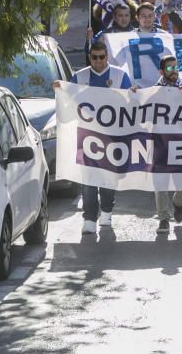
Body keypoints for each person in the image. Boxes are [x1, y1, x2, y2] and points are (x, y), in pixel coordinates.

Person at [60, 40, 133, 234]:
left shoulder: (120, 76)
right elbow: (68, 101)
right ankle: (89, 218)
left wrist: (133, 95)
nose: (98, 61)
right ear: (89, 57)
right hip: (87, 138)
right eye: (94, 57)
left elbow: (131, 105)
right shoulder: (79, 77)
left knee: (108, 180)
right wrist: (60, 90)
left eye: (102, 57)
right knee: (89, 180)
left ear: (107, 57)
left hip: (113, 138)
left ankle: (107, 210)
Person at [154, 55, 182, 234]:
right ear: (161, 72)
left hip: (181, 143)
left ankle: (178, 203)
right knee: (160, 184)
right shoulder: (154, 91)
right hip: (160, 143)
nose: (174, 71)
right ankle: (163, 219)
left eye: (176, 67)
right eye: (169, 68)